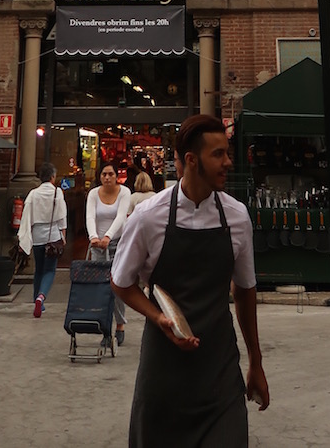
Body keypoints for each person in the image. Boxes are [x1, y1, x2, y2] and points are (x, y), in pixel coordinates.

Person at [111, 114, 269, 447]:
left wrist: (255, 361)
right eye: (218, 155)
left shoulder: (237, 217)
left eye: (227, 153)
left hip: (220, 371)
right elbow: (121, 282)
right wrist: (158, 317)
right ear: (191, 160)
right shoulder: (148, 217)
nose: (228, 162)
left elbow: (245, 292)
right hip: (162, 374)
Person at [86, 161, 131, 345]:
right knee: (102, 287)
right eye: (104, 174)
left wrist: (108, 236)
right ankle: (105, 327)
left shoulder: (125, 192)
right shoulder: (93, 194)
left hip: (118, 244)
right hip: (98, 246)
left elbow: (121, 216)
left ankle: (120, 324)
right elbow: (90, 216)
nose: (107, 178)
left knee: (117, 285)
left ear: (116, 176)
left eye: (110, 174)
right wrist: (94, 237)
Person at [17, 162, 67, 319]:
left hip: (37, 235)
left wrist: (25, 236)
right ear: (53, 177)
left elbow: (27, 217)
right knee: (50, 270)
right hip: (53, 235)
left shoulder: (33, 194)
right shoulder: (57, 193)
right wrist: (63, 236)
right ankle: (41, 297)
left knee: (38, 269)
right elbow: (62, 216)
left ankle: (36, 300)